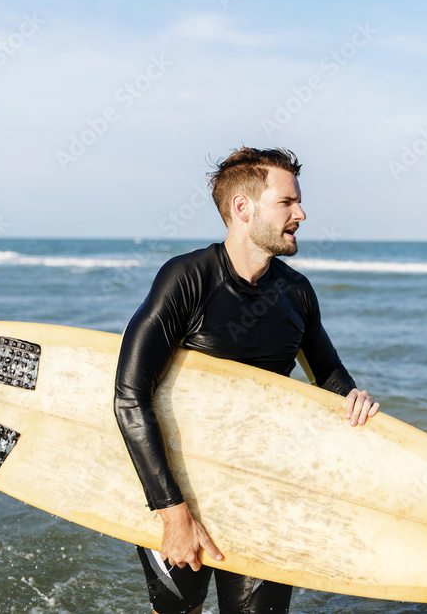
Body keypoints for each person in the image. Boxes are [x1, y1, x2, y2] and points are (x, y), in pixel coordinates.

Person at [113, 147, 379, 614]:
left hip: (263, 491)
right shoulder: (187, 279)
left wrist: (351, 398)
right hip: (179, 488)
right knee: (180, 611)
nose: (301, 213)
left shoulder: (296, 291)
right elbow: (131, 396)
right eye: (287, 202)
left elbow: (329, 375)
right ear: (243, 207)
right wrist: (173, 513)